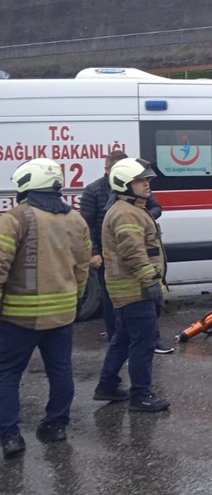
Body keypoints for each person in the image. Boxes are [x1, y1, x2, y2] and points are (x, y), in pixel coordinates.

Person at [0, 159, 91, 459]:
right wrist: (76, 298)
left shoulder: (14, 218)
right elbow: (82, 268)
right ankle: (56, 426)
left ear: (25, 184)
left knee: (7, 374)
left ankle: (10, 437)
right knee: (61, 371)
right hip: (62, 314)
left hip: (19, 316)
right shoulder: (76, 220)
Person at [94, 158, 170, 412]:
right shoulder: (126, 213)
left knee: (123, 339)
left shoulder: (130, 208)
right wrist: (150, 281)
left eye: (147, 179)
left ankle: (107, 385)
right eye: (140, 180)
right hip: (134, 289)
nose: (147, 184)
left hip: (127, 288)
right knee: (143, 343)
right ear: (124, 184)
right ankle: (141, 395)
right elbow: (132, 251)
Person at [81, 149, 172, 354]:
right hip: (107, 254)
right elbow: (87, 225)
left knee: (146, 305)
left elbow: (155, 207)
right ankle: (117, 338)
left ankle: (150, 340)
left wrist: (142, 218)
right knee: (113, 302)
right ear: (107, 170)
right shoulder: (93, 191)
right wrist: (93, 252)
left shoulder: (135, 192)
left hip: (134, 250)